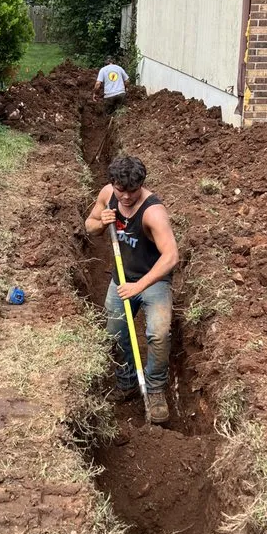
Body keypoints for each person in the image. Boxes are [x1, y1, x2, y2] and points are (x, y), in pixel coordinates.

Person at [85, 155, 178, 425]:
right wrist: (101, 221)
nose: (125, 197)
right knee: (114, 333)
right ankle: (126, 382)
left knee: (159, 333)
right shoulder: (107, 194)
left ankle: (156, 388)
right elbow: (89, 227)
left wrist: (140, 285)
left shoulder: (153, 212)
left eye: (132, 191)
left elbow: (171, 256)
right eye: (120, 190)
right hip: (121, 279)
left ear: (142, 185)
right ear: (113, 184)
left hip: (152, 280)